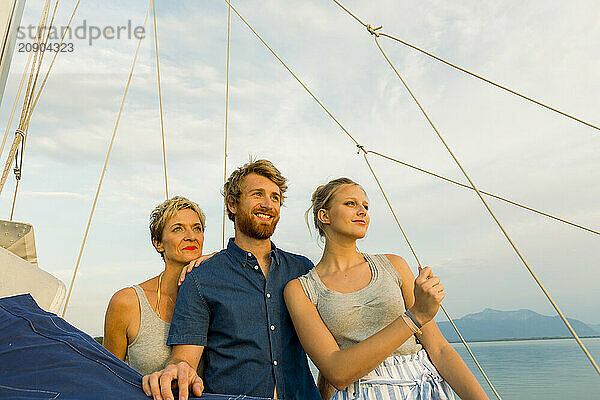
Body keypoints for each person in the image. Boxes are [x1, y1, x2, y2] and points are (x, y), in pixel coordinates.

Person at [283, 178, 489, 400]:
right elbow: (336, 372)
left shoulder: (393, 265)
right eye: (351, 204)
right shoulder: (301, 290)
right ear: (324, 216)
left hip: (425, 388)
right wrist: (415, 316)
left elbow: (438, 349)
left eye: (366, 206)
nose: (362, 210)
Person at [142, 160, 321, 400]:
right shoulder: (201, 278)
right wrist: (178, 369)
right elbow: (184, 358)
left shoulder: (303, 269)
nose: (268, 204)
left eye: (275, 198)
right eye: (258, 194)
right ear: (233, 204)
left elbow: (329, 347)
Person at [103, 196, 210, 376]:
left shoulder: (217, 295)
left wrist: (219, 261)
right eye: (178, 229)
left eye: (197, 229)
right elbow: (108, 378)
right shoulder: (127, 303)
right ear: (158, 243)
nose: (191, 237)